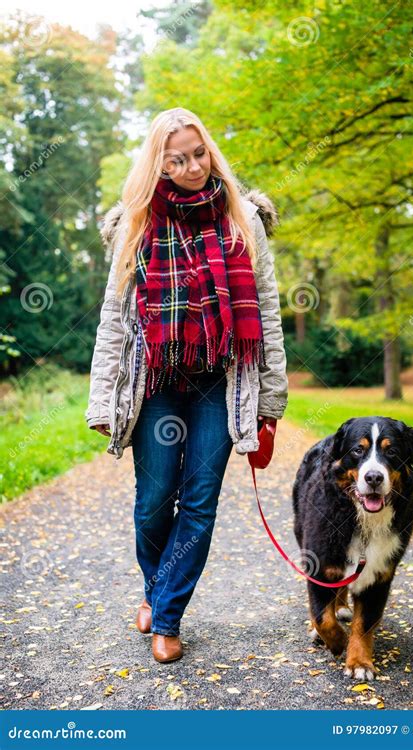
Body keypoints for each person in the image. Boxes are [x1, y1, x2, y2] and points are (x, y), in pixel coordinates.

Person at [85, 107, 288, 663]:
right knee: (153, 502)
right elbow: (114, 316)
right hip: (156, 383)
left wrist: (270, 399)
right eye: (178, 159)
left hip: (221, 383)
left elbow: (265, 310)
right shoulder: (138, 222)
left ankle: (166, 615)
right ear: (160, 164)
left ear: (210, 151)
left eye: (199, 154)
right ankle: (154, 589)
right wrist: (103, 396)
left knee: (198, 503)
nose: (194, 166)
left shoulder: (241, 216)